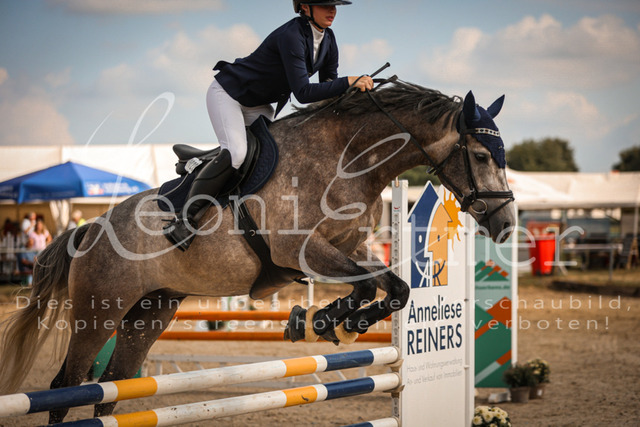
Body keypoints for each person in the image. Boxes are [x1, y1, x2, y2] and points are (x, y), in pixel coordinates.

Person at [164, 0, 374, 251]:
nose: (332, 10)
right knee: (237, 153)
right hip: (229, 94)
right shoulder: (291, 35)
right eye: (324, 5)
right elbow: (304, 93)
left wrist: (353, 94)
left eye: (334, 5)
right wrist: (348, 82)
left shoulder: (328, 39)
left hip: (258, 104)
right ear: (305, 6)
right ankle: (185, 220)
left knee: (277, 154)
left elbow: (329, 85)